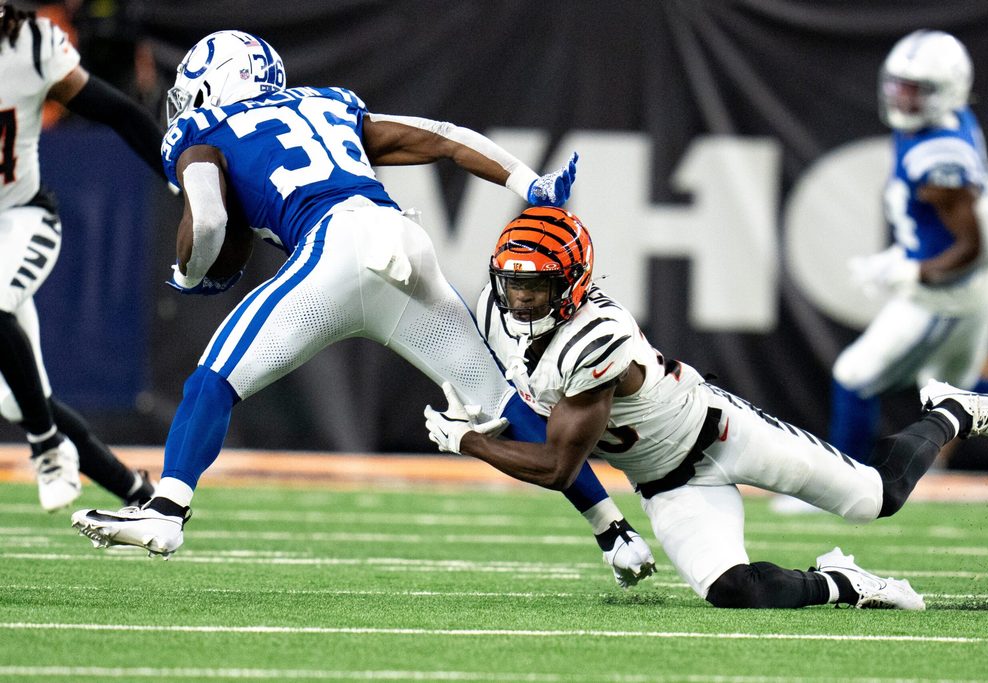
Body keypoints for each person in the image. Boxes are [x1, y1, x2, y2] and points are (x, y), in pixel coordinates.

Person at [71, 30, 656, 588]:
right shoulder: (327, 105)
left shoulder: (204, 128)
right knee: (498, 401)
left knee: (214, 379)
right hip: (401, 241)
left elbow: (210, 222)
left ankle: (167, 509)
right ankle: (617, 533)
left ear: (212, 83)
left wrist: (188, 275)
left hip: (334, 246)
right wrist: (531, 185)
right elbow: (446, 136)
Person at [422, 206, 988, 609]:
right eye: (514, 282)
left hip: (720, 431)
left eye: (539, 286)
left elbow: (559, 465)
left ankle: (950, 412)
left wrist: (466, 441)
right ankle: (845, 583)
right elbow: (528, 399)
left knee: (874, 498)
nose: (522, 297)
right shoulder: (495, 309)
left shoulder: (595, 339)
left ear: (573, 283)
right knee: (731, 590)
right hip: (663, 480)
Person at [828, 29, 988, 463]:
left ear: (948, 91)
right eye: (897, 85)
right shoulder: (942, 124)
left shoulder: (939, 155)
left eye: (916, 90)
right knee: (955, 392)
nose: (901, 98)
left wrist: (914, 270)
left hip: (947, 297)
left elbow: (971, 248)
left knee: (855, 375)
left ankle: (842, 484)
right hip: (961, 289)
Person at [0, 0, 159, 511]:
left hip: (23, 219)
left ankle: (47, 449)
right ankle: (137, 494)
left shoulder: (32, 46)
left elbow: (118, 110)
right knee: (19, 397)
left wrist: (182, 178)